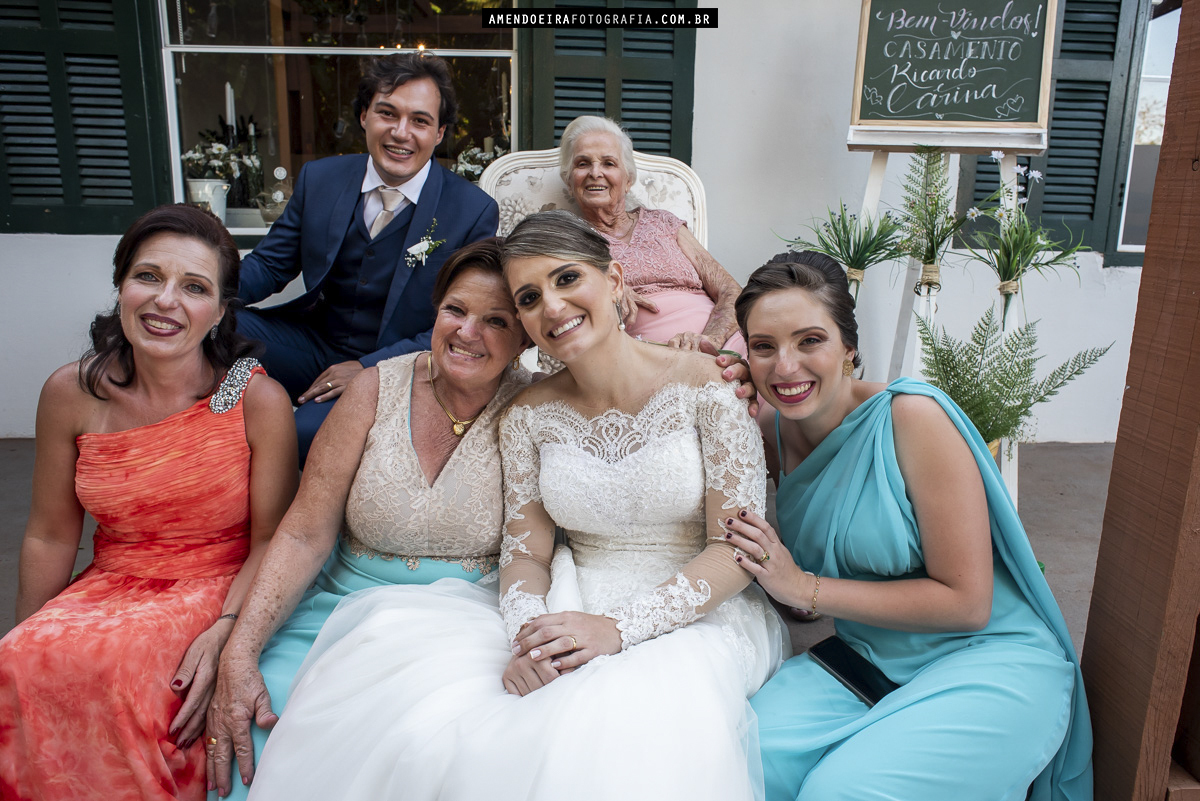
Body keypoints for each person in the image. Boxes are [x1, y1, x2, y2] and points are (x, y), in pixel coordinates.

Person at [244, 210, 787, 801]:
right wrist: (528, 636)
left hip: (697, 610)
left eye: (567, 278)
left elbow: (736, 551)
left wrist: (616, 629)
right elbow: (524, 551)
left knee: (612, 732)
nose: (552, 306)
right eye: (530, 297)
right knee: (460, 729)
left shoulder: (711, 385)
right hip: (572, 594)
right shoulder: (528, 412)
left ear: (615, 280)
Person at [722, 252, 1092, 801]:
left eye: (809, 341)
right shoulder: (769, 432)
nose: (785, 367)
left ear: (849, 347)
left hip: (985, 657)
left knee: (841, 793)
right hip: (869, 657)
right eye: (763, 347)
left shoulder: (912, 418)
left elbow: (968, 602)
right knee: (738, 762)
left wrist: (805, 586)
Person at [205, 238, 531, 800]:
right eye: (455, 310)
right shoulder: (372, 389)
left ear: (526, 337)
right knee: (261, 730)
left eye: (496, 321)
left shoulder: (537, 407)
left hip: (468, 625)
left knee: (441, 747)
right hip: (339, 610)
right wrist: (241, 649)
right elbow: (305, 532)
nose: (467, 332)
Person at [0, 204, 298, 801]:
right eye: (148, 276)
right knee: (20, 661)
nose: (166, 301)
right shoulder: (73, 390)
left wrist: (229, 632)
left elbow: (272, 538)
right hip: (113, 580)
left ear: (219, 311)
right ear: (120, 287)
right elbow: (51, 535)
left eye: (194, 287)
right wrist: (31, 637)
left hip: (216, 583)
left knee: (122, 676)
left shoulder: (250, 396)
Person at [236, 52, 500, 463]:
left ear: (440, 132)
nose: (401, 132)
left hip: (395, 364)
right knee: (217, 324)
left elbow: (454, 324)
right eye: (387, 113)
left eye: (419, 120)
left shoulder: (471, 210)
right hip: (313, 342)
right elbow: (269, 265)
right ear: (364, 116)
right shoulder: (321, 179)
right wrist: (197, 292)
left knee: (304, 432)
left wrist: (368, 367)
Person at [558, 115, 744, 354]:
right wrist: (605, 286)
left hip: (717, 341)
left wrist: (710, 340)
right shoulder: (566, 237)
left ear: (628, 180)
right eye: (583, 164)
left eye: (609, 163)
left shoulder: (663, 221)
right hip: (648, 354)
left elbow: (730, 290)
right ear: (569, 180)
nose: (595, 172)